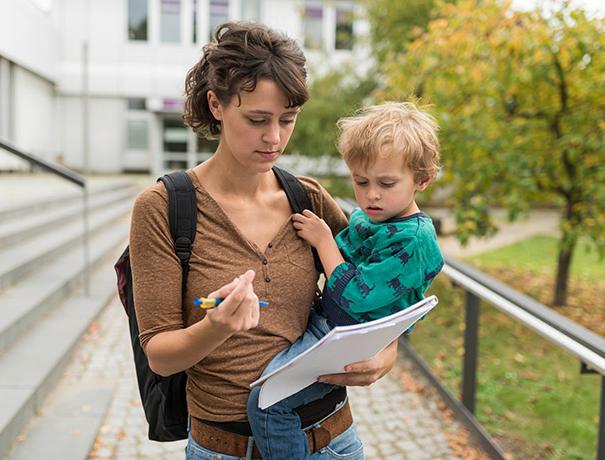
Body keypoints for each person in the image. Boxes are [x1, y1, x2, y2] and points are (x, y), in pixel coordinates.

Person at [129, 21, 398, 460]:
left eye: (287, 119)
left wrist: (385, 354)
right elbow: (160, 355)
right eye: (257, 119)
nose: (274, 138)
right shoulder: (163, 207)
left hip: (335, 442)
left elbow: (385, 287)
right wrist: (214, 326)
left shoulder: (307, 198)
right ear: (216, 104)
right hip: (227, 449)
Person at [247, 101, 445, 459]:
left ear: (423, 179)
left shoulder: (413, 240)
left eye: (386, 183)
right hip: (328, 325)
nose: (371, 195)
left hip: (348, 338)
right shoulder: (374, 219)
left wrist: (323, 240)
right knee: (267, 394)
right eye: (360, 181)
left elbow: (356, 293)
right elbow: (334, 259)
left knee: (267, 402)